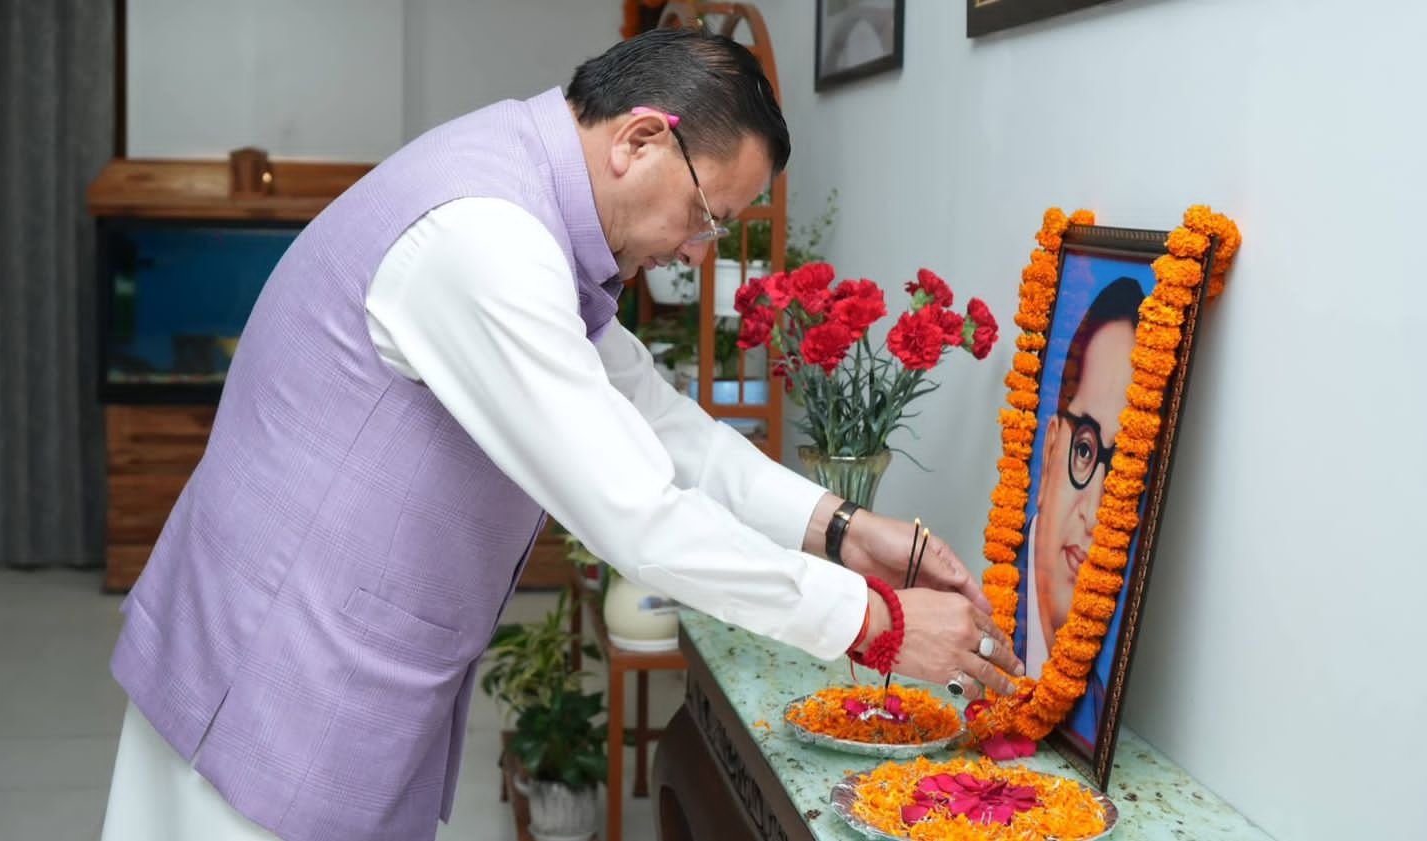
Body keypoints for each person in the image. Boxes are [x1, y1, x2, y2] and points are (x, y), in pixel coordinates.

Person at [97, 29, 1020, 841]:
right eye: (706, 216)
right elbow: (638, 517)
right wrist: (877, 624)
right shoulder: (485, 241)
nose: (696, 251)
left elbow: (661, 423)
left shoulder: (529, 205)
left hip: (330, 655)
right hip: (272, 674)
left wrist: (843, 529)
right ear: (640, 139)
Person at [1017, 275, 1144, 748]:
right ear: (1051, 448)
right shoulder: (986, 621)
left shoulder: (1092, 713)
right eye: (1086, 450)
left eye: (1124, 471)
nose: (1093, 514)